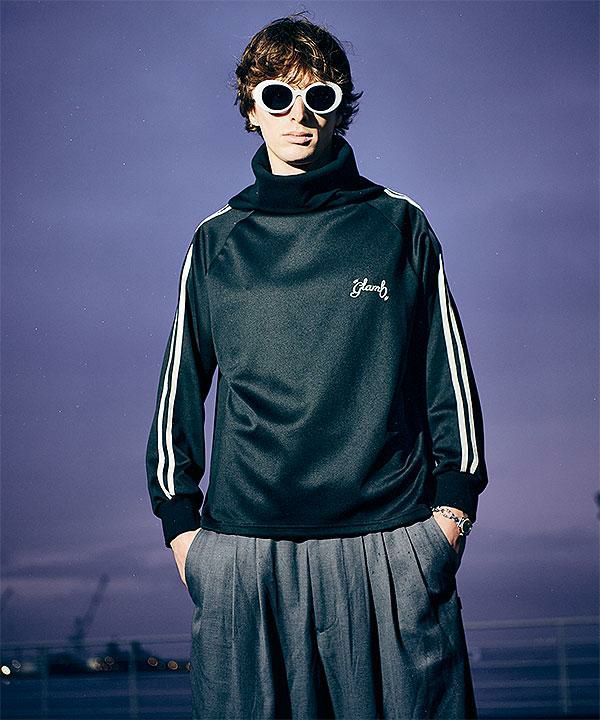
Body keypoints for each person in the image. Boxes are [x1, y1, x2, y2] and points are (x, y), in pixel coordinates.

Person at [146, 11, 488, 720]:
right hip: (245, 558)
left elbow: (447, 377)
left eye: (318, 96)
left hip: (390, 546)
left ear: (340, 108)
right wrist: (182, 529)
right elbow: (179, 387)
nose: (298, 114)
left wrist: (449, 516)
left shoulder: (399, 224)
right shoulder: (217, 241)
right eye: (277, 96)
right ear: (251, 110)